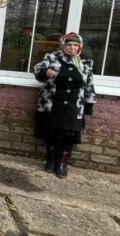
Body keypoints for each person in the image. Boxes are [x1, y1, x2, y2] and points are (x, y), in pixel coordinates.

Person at [33, 32, 95, 178]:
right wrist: (45, 72)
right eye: (69, 44)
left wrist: (89, 105)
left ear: (80, 47)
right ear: (63, 45)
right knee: (52, 133)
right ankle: (51, 159)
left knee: (69, 136)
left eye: (75, 45)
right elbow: (37, 71)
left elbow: (89, 85)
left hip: (74, 106)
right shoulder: (52, 57)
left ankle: (62, 162)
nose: (72, 48)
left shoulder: (85, 63)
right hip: (52, 104)